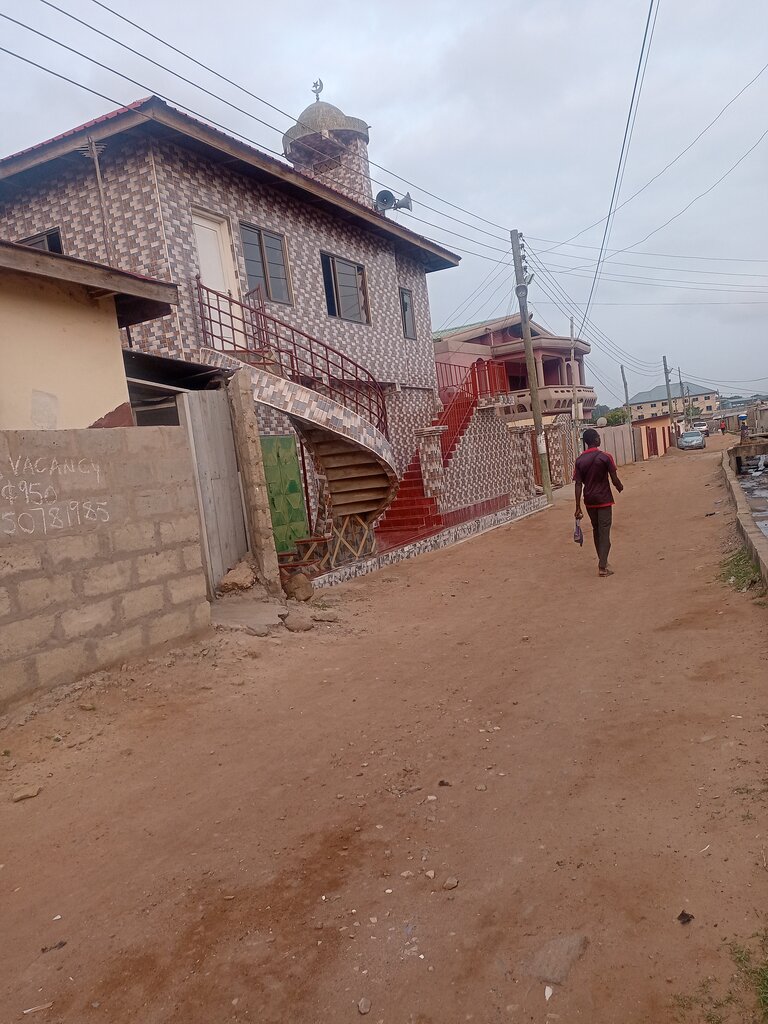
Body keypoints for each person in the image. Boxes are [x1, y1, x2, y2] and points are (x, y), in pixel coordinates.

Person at [574, 428, 624, 578]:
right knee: (604, 532)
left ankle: (603, 561)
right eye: (598, 437)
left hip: (589, 501)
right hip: (604, 499)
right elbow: (614, 478)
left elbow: (578, 484)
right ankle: (602, 566)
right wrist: (619, 487)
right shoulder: (605, 457)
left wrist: (578, 506)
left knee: (596, 530)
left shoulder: (579, 460)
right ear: (596, 440)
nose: (599, 439)